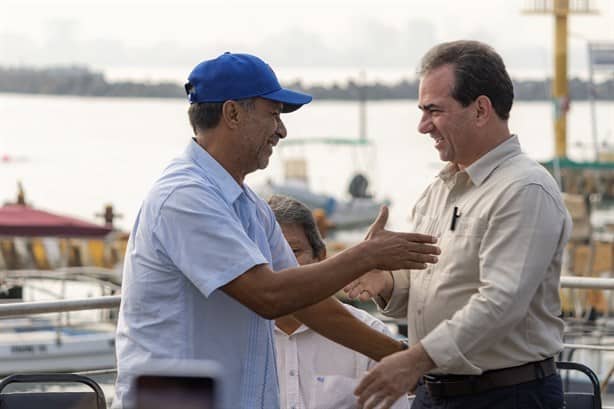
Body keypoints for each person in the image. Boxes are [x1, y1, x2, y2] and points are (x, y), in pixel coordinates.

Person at [112, 52, 440, 409]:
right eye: (274, 115)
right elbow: (268, 296)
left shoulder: (250, 207)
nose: (282, 131)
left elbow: (309, 306)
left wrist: (409, 360)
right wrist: (366, 256)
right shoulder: (183, 197)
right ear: (232, 114)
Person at [347, 40, 572, 409]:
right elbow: (431, 287)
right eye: (422, 111)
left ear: (481, 109)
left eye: (434, 111)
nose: (422, 126)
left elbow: (500, 304)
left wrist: (414, 360)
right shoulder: (440, 188)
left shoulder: (524, 189)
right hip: (434, 392)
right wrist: (385, 282)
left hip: (506, 397)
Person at [269, 194, 410, 409]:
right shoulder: (237, 339)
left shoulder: (371, 332)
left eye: (293, 251)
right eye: (265, 252)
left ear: (321, 257)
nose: (279, 264)